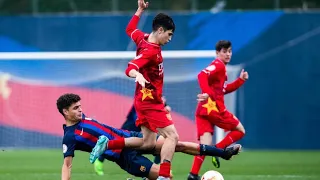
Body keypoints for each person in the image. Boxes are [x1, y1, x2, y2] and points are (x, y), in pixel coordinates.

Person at [58, 93, 241, 180]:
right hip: (124, 156)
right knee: (167, 176)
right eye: (75, 108)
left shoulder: (82, 117)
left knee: (176, 142)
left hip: (133, 137)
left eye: (80, 106)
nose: (80, 109)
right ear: (65, 112)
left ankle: (223, 153)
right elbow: (67, 166)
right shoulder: (70, 137)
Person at [121, 0, 179, 179]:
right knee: (173, 137)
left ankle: (109, 144)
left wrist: (139, 10)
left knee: (147, 143)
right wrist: (136, 74)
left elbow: (129, 29)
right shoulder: (151, 51)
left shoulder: (143, 37)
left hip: (142, 100)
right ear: (160, 30)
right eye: (168, 35)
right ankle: (163, 176)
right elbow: (130, 67)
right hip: (150, 103)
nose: (169, 39)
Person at [187, 40, 249, 180]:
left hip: (202, 111)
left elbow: (223, 90)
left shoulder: (221, 69)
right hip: (214, 110)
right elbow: (201, 75)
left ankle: (193, 175)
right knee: (240, 130)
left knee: (203, 146)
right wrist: (207, 93)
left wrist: (240, 80)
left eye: (229, 51)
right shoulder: (218, 65)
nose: (227, 54)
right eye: (224, 51)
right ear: (217, 53)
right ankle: (219, 150)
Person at [94, 99, 171, 176]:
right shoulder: (144, 96)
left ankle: (157, 168)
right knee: (117, 146)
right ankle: (100, 160)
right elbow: (137, 116)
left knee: (161, 144)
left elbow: (162, 107)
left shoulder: (158, 97)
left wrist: (165, 108)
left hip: (145, 127)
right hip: (131, 126)